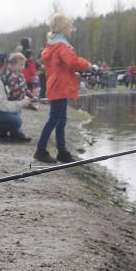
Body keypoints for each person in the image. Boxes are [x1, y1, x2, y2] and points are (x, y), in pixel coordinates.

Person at [34, 13, 90, 164]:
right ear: (63, 28)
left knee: (61, 120)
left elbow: (64, 66)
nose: (72, 29)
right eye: (70, 26)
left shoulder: (53, 44)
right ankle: (40, 150)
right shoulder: (61, 45)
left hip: (58, 85)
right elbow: (72, 61)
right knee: (54, 119)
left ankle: (62, 151)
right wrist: (86, 65)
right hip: (59, 86)